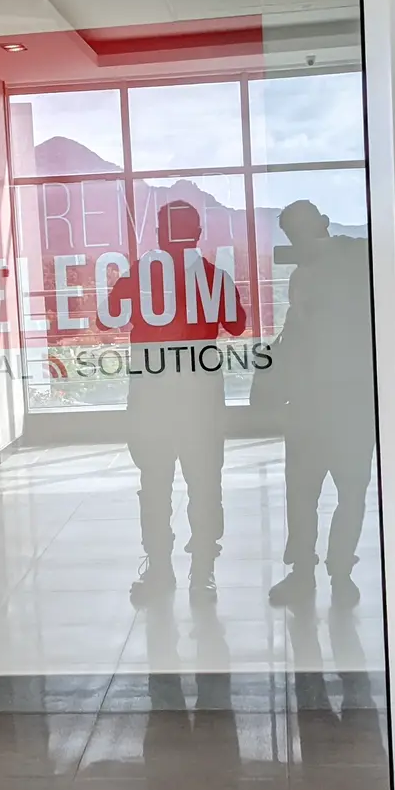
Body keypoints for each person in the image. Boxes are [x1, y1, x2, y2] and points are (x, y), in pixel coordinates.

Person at [109, 199, 246, 602]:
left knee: (154, 484)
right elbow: (237, 326)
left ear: (159, 234)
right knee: (205, 483)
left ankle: (159, 569)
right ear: (198, 235)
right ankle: (203, 573)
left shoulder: (140, 275)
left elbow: (106, 317)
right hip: (200, 398)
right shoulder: (213, 276)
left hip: (151, 398)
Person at [263, 200, 377, 609]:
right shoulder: (313, 272)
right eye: (292, 236)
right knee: (327, 492)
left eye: (299, 233)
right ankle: (328, 573)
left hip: (336, 401)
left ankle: (321, 573)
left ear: (323, 225)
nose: (297, 242)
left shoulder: (353, 258)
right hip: (333, 402)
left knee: (320, 492)